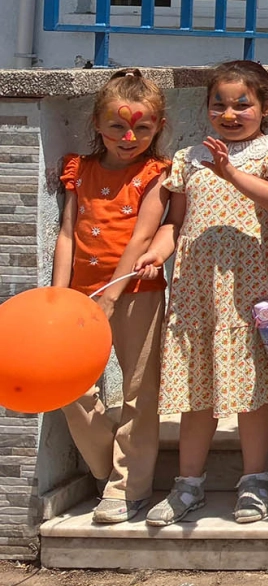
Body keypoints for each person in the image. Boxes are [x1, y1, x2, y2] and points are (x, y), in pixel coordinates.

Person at [140, 61, 268, 527]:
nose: (230, 113)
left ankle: (255, 481)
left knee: (253, 394)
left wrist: (231, 173)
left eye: (243, 104)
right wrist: (157, 253)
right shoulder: (189, 157)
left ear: (265, 106)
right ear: (206, 107)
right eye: (220, 103)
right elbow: (175, 221)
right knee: (198, 392)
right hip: (196, 296)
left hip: (248, 296)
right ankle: (188, 485)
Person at [54, 69, 170, 525]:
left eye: (142, 127)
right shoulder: (79, 170)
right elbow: (67, 234)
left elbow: (143, 238)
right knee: (68, 385)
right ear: (98, 125)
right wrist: (58, 295)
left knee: (140, 390)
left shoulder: (156, 174)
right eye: (118, 126)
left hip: (136, 292)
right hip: (79, 294)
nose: (129, 136)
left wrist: (111, 296)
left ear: (157, 127)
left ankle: (129, 488)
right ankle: (109, 470)